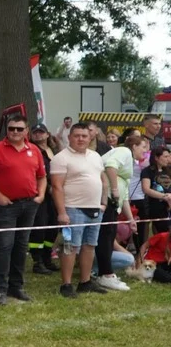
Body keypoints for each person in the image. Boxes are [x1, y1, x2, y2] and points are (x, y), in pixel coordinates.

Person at [0, 114, 47, 305]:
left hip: (29, 205)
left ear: (26, 131)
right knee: (4, 246)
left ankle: (16, 287)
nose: (15, 132)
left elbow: (42, 176)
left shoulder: (34, 150)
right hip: (5, 206)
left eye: (19, 129)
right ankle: (1, 289)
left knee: (21, 246)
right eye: (11, 129)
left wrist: (40, 195)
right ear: (6, 130)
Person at [49, 124, 108, 299]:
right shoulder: (61, 158)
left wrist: (103, 203)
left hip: (95, 209)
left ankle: (85, 281)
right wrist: (62, 212)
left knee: (89, 246)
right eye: (77, 135)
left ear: (90, 137)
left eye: (84, 135)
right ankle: (66, 284)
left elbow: (101, 180)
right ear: (70, 137)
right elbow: (56, 187)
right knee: (70, 247)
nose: (81, 139)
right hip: (73, 209)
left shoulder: (96, 156)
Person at [96, 135, 147, 292]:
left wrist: (131, 219)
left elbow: (124, 197)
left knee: (108, 237)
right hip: (106, 200)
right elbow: (110, 166)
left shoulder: (128, 163)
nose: (146, 151)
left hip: (114, 204)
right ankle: (106, 275)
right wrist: (115, 190)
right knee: (105, 238)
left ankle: (102, 271)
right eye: (144, 147)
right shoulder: (124, 151)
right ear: (134, 146)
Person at [28, 124, 59, 275]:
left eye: (41, 132)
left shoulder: (54, 151)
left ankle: (47, 257)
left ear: (48, 135)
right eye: (35, 132)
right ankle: (37, 261)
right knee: (39, 227)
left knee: (53, 225)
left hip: (55, 194)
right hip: (39, 194)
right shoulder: (32, 151)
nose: (38, 135)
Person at [141, 148, 171, 235]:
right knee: (162, 233)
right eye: (165, 156)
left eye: (169, 156)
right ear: (156, 158)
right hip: (155, 206)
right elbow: (146, 189)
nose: (168, 159)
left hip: (169, 205)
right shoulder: (147, 171)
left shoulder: (168, 170)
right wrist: (164, 196)